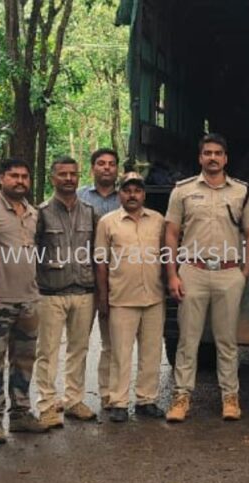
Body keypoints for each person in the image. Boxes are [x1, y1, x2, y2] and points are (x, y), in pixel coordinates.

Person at [164, 133, 249, 422]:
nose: (213, 158)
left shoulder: (241, 192)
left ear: (226, 158)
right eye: (208, 153)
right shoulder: (182, 191)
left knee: (227, 340)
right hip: (192, 271)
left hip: (229, 273)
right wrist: (172, 274)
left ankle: (230, 397)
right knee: (188, 340)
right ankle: (181, 398)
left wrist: (246, 270)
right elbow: (170, 232)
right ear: (200, 158)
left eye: (218, 153)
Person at [0, 158, 49, 441]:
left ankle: (20, 414)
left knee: (25, 360)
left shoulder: (33, 213)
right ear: (0, 179)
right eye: (13, 176)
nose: (20, 181)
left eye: (24, 176)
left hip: (29, 299)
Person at [94, 172, 167, 422]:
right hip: (121, 298)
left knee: (151, 352)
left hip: (154, 297)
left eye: (137, 190)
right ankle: (118, 402)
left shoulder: (158, 220)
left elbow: (167, 255)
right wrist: (103, 298)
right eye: (127, 190)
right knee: (120, 353)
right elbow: (101, 262)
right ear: (120, 194)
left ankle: (147, 399)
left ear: (144, 194)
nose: (132, 195)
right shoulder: (107, 222)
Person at [34, 156, 99, 427]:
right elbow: (31, 253)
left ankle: (74, 400)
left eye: (73, 174)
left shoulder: (89, 212)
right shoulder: (41, 213)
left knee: (79, 349)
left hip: (84, 290)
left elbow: (97, 253)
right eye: (63, 174)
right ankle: (47, 405)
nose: (69, 179)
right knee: (47, 351)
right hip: (51, 292)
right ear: (53, 178)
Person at [78, 148, 122, 410]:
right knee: (78, 342)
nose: (106, 168)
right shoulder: (79, 197)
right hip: (82, 277)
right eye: (101, 163)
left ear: (117, 169)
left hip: (114, 279)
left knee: (111, 342)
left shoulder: (126, 196)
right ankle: (73, 397)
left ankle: (108, 394)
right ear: (92, 167)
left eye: (111, 164)